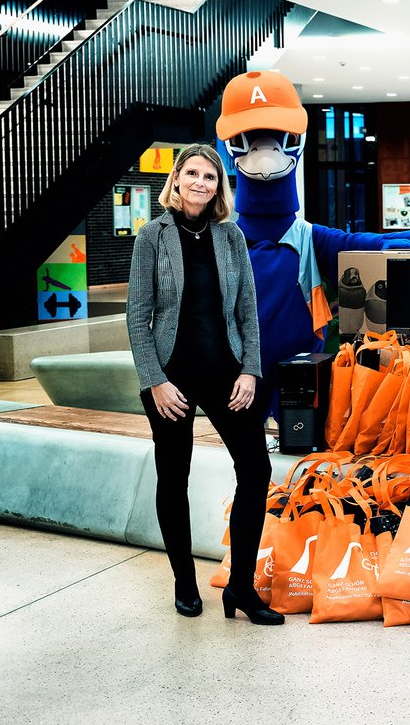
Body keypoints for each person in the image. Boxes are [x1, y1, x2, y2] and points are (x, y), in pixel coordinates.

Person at [126, 143, 283, 624]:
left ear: (220, 187)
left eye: (210, 176)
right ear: (175, 181)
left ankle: (240, 587)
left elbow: (247, 314)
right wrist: (155, 382)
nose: (200, 182)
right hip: (171, 378)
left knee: (256, 472)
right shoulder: (152, 237)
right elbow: (138, 317)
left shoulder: (230, 236)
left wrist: (251, 370)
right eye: (192, 173)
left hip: (226, 373)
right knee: (174, 479)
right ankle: (183, 581)